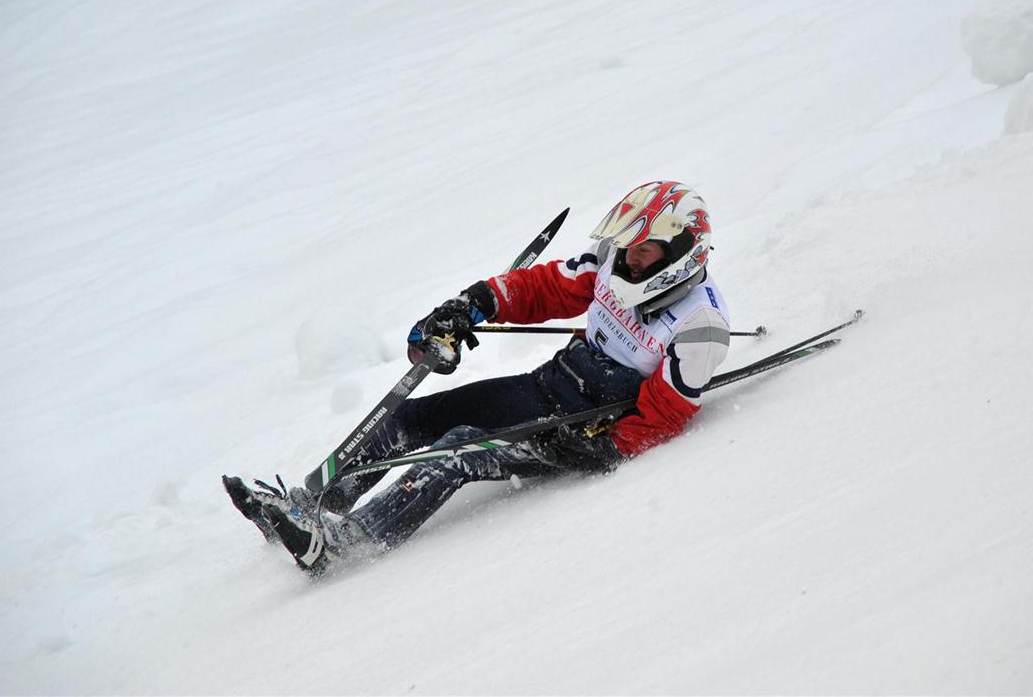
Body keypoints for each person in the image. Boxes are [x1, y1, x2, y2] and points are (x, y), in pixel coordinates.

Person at [225, 181, 730, 575]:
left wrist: (602, 448)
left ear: (681, 252)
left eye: (645, 250)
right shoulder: (614, 264)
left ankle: (344, 546)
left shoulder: (700, 326)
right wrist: (473, 304)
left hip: (580, 431)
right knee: (417, 417)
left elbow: (665, 415)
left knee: (458, 449)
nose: (630, 258)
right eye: (628, 246)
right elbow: (544, 288)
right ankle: (317, 504)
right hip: (548, 387)